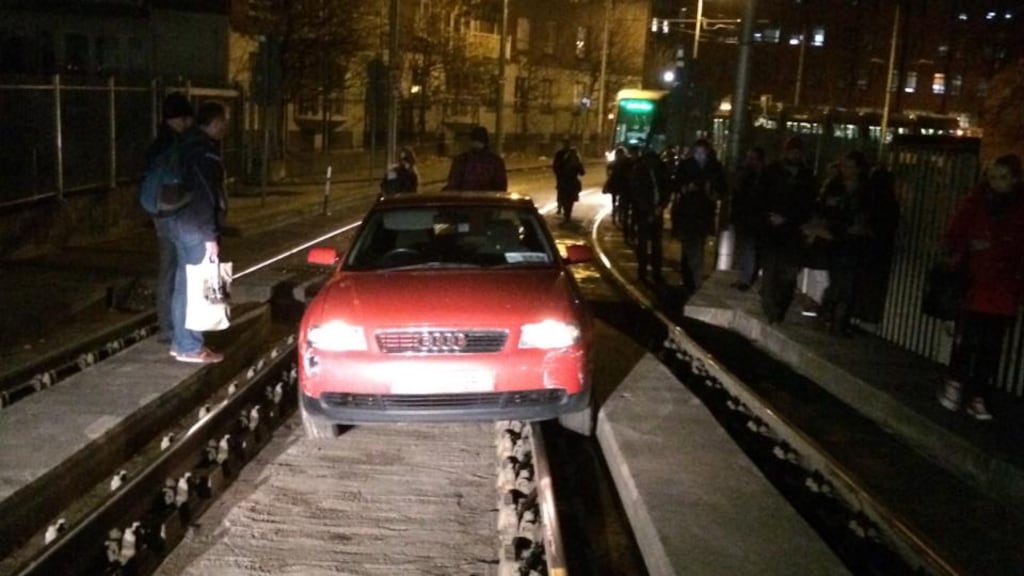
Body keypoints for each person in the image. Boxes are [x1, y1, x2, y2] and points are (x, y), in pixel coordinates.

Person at [937, 154, 1024, 421]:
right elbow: (953, 236)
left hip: (1003, 286)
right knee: (970, 340)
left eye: (1003, 178)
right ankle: (957, 384)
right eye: (994, 177)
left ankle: (976, 395)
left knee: (991, 347)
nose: (997, 183)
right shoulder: (975, 203)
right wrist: (967, 249)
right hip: (976, 284)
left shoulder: (1018, 209)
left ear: (1015, 180)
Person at [166, 100, 230, 363]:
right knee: (197, 288)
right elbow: (205, 196)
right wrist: (209, 236)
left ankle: (180, 342)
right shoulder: (205, 152)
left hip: (179, 222)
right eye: (225, 122)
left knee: (184, 285)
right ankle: (191, 347)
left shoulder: (185, 143)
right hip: (196, 228)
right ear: (215, 123)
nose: (226, 127)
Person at [144, 92, 193, 344]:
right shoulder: (176, 145)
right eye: (186, 118)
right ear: (180, 118)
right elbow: (181, 180)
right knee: (179, 271)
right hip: (175, 213)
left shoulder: (156, 143)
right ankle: (173, 326)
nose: (189, 123)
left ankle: (166, 324)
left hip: (158, 212)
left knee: (167, 269)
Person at [758, 136, 816, 324]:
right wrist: (768, 217)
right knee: (771, 274)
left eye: (798, 151)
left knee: (788, 276)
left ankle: (779, 309)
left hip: (793, 235)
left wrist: (790, 219)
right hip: (772, 233)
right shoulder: (771, 173)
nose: (795, 154)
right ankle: (771, 310)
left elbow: (808, 206)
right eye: (792, 151)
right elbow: (759, 199)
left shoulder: (806, 177)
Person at [817, 150, 874, 336]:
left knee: (848, 284)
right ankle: (831, 314)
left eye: (850, 167)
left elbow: (873, 214)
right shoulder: (835, 186)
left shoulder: (866, 189)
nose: (846, 170)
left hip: (855, 242)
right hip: (836, 239)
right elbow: (825, 210)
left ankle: (838, 321)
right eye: (844, 166)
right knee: (838, 282)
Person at [672, 139, 726, 292]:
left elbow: (722, 189)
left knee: (697, 246)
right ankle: (690, 279)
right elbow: (676, 185)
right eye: (698, 153)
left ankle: (693, 280)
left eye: (703, 153)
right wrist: (686, 188)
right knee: (689, 247)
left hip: (704, 213)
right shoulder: (686, 165)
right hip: (687, 213)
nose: (700, 156)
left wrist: (713, 193)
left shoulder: (714, 167)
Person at [630, 143, 670, 284]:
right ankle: (643, 272)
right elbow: (636, 193)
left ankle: (655, 272)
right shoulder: (639, 171)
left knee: (656, 244)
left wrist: (660, 207)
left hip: (655, 212)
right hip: (643, 213)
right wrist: (648, 210)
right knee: (643, 244)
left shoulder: (660, 171)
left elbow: (666, 190)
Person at [730, 146, 766, 291]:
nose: (748, 161)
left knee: (749, 248)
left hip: (752, 218)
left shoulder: (761, 177)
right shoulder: (746, 175)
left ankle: (747, 278)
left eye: (752, 158)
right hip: (743, 217)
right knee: (742, 248)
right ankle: (743, 277)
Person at [443, 125, 508, 192]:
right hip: (488, 201)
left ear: (471, 141)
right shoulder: (496, 161)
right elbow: (501, 188)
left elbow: (453, 185)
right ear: (486, 142)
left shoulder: (461, 160)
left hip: (465, 201)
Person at [553, 139, 584, 223]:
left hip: (567, 182)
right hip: (568, 182)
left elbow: (581, 171)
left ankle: (567, 214)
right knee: (567, 199)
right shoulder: (561, 154)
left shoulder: (572, 156)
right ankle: (566, 213)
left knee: (567, 199)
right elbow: (556, 167)